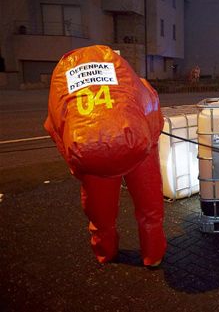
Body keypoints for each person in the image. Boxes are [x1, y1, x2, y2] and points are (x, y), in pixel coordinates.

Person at [44, 45, 166, 267]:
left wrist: (77, 167)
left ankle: (105, 252)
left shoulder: (64, 80)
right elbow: (151, 106)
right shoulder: (132, 83)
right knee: (150, 206)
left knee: (100, 213)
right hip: (138, 143)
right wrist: (151, 135)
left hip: (90, 151)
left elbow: (55, 125)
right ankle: (153, 255)